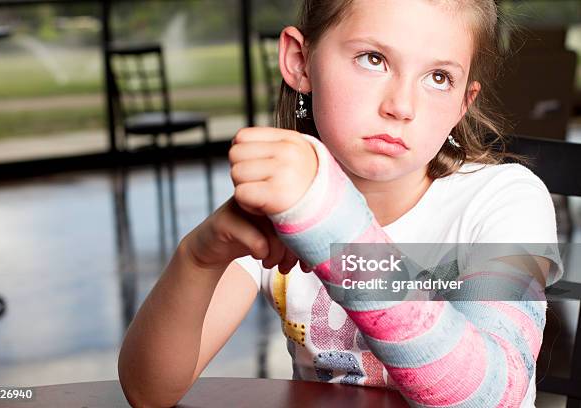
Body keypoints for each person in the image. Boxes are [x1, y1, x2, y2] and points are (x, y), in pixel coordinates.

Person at [118, 0, 563, 407]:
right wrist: (196, 258)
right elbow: (148, 392)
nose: (402, 106)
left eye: (439, 77)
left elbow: (490, 398)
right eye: (373, 59)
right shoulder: (284, 203)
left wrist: (325, 222)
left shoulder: (506, 200)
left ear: (463, 104)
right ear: (299, 62)